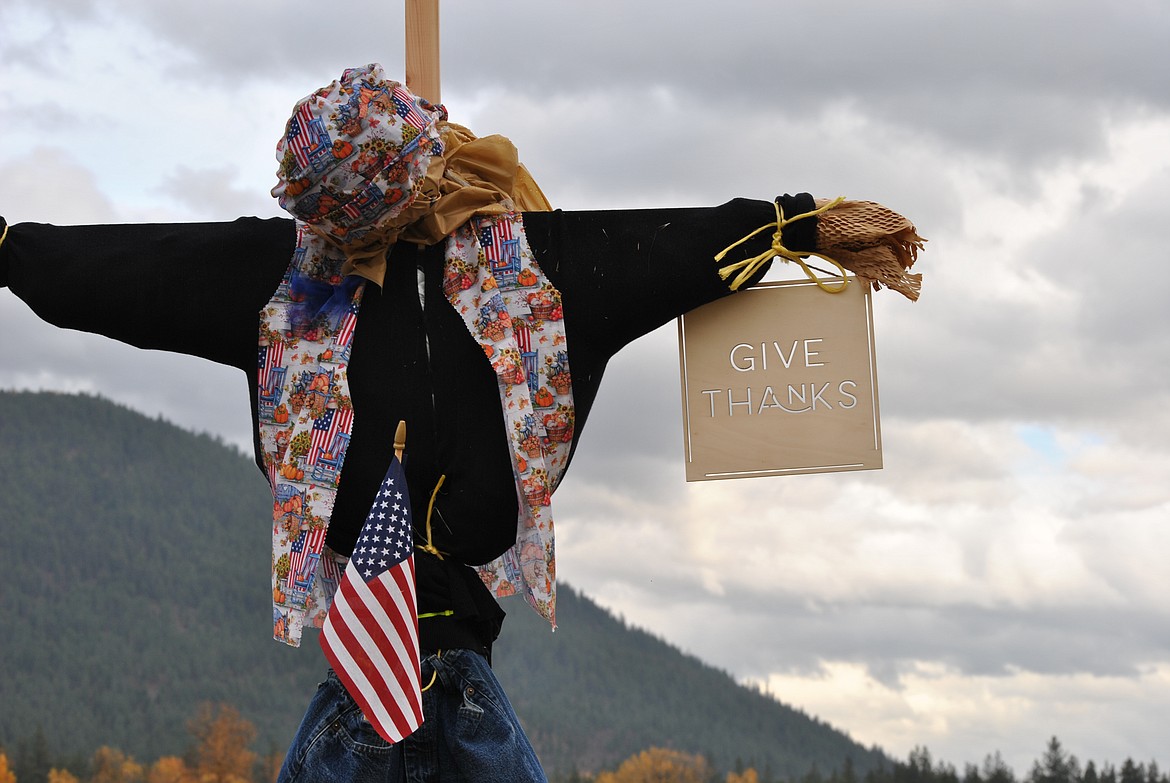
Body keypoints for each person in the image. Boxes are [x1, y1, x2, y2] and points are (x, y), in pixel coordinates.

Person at [0, 66, 915, 782]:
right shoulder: (506, 273)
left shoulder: (494, 273)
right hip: (413, 685)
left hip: (381, 694)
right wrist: (793, 224)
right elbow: (130, 269)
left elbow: (670, 247)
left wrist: (791, 224)